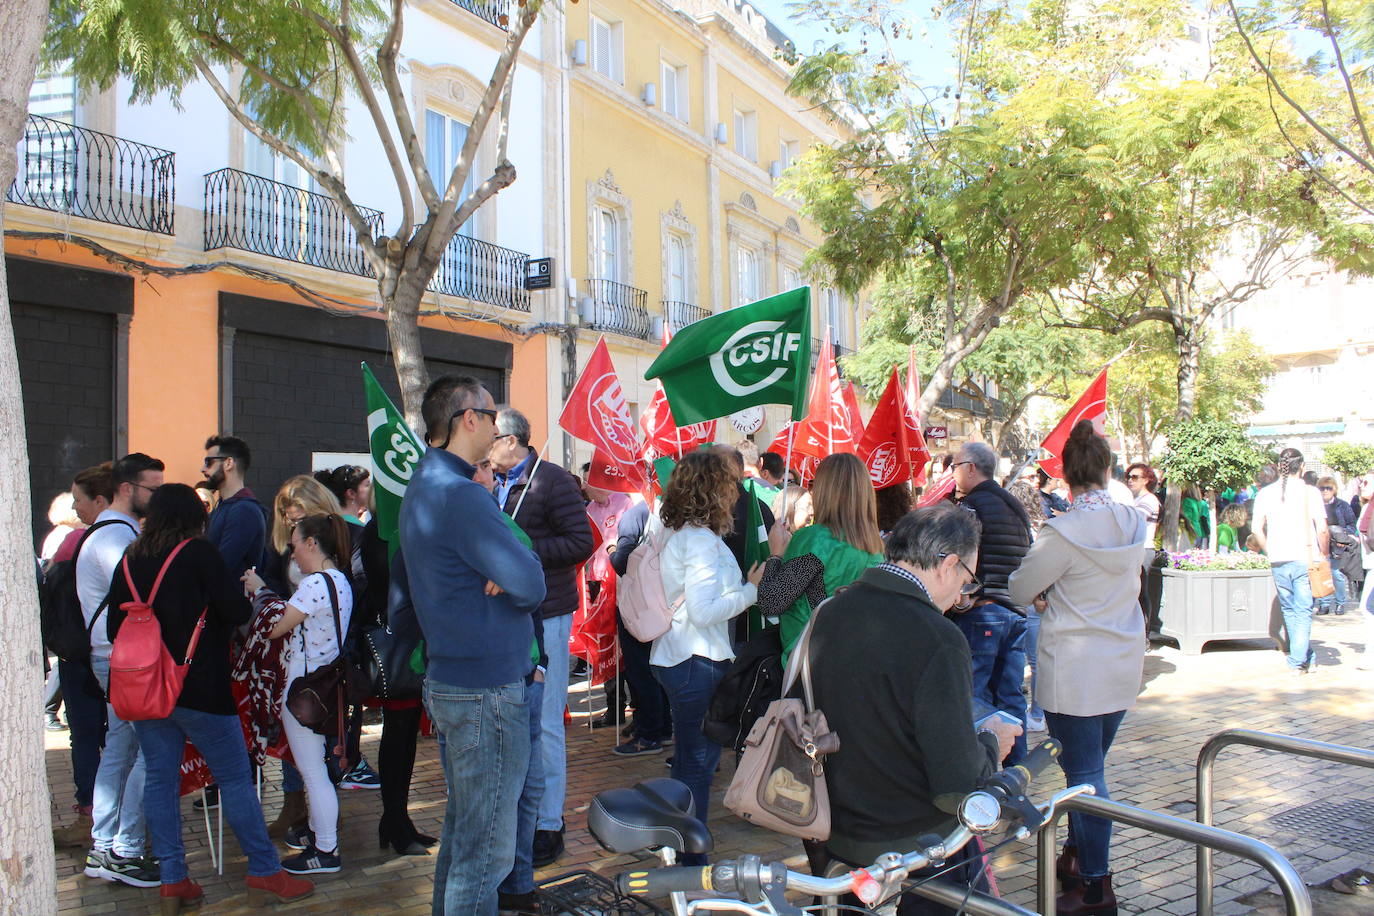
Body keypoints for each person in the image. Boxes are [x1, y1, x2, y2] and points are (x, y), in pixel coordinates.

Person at [106, 484, 313, 912]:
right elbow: (236, 613)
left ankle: (173, 880)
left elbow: (113, 628)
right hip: (199, 687)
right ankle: (264, 871)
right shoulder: (198, 554)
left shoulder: (130, 558)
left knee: (161, 782)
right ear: (194, 517)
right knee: (235, 778)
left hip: (146, 691)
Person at [809, 505, 1022, 913]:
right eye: (967, 580)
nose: (963, 595)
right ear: (949, 564)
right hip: (914, 852)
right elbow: (956, 788)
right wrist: (991, 742)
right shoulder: (937, 638)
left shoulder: (831, 611)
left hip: (837, 835)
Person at [393, 375, 546, 915]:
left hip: (460, 682)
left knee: (465, 841)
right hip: (484, 691)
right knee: (484, 855)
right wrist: (513, 564)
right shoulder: (460, 495)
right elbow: (533, 583)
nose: (501, 423)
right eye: (491, 411)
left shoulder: (429, 483)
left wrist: (507, 565)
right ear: (469, 420)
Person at [1009, 420, 1149, 916]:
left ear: (1065, 475)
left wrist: (1049, 592)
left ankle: (1095, 884)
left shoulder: (1064, 530)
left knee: (1085, 775)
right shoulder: (1134, 521)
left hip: (1074, 666)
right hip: (1122, 659)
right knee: (1090, 769)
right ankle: (1078, 857)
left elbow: (1020, 588)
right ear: (1108, 469)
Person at [490, 407, 595, 868]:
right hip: (507, 616)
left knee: (548, 721)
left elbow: (580, 543)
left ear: (512, 441)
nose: (485, 446)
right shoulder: (489, 483)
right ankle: (522, 815)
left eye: (491, 437)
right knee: (516, 720)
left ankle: (549, 822)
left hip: (549, 614)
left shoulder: (551, 480)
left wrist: (524, 549)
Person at [652, 450, 766, 864]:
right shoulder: (698, 540)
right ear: (711, 489)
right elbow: (704, 612)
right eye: (729, 483)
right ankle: (690, 859)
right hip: (695, 660)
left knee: (690, 764)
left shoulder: (683, 533)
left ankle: (681, 848)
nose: (736, 491)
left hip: (681, 658)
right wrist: (751, 590)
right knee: (696, 767)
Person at [243, 514, 354, 875]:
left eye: (294, 546)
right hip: (326, 688)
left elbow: (274, 628)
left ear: (311, 543)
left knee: (312, 773)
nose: (293, 555)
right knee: (318, 770)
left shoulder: (313, 585)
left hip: (303, 691)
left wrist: (261, 590)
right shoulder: (340, 580)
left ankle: (325, 850)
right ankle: (323, 842)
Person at [83, 453, 164, 888]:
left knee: (120, 750)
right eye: (154, 487)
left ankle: (105, 845)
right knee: (145, 750)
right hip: (124, 658)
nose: (159, 496)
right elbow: (142, 591)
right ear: (129, 488)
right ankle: (125, 848)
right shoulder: (117, 537)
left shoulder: (113, 532)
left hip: (115, 656)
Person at [761, 454, 883, 666]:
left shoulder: (815, 539)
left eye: (813, 484)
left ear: (826, 490)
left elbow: (771, 602)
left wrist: (775, 555)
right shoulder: (877, 548)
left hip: (811, 660)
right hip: (859, 660)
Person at [952, 441, 1031, 764]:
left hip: (983, 612)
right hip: (1014, 611)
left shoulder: (972, 507)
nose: (952, 473)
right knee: (1011, 698)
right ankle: (1017, 774)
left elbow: (960, 557)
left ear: (971, 468)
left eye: (955, 465)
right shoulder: (1013, 504)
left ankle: (980, 775)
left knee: (975, 697)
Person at [51, 463, 116, 848]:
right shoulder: (122, 536)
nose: (75, 509)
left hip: (84, 655)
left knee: (88, 736)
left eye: (79, 500)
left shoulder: (82, 542)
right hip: (100, 653)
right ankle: (104, 814)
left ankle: (90, 814)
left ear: (100, 500)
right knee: (111, 737)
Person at [1251, 448, 1328, 674]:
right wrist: (1324, 553)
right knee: (1303, 610)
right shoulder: (1310, 492)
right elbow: (1322, 529)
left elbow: (1256, 529)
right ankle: (1298, 661)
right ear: (1301, 466)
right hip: (1306, 557)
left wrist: (1269, 550)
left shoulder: (1265, 493)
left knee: (1290, 609)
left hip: (1278, 559)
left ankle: (1305, 657)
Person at [609, 499, 674, 756]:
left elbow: (621, 561)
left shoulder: (637, 513)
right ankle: (664, 729)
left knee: (642, 672)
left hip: (641, 608)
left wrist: (612, 551)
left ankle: (650, 734)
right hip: (666, 606)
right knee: (659, 670)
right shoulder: (679, 512)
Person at [202, 435, 269, 580]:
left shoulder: (244, 510)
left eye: (209, 462)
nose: (203, 469)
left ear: (229, 463)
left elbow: (220, 566)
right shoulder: (223, 507)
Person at [1317, 476, 1358, 615]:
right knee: (1322, 573)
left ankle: (1340, 603)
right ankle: (1324, 604)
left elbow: (1352, 524)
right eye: (1322, 488)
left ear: (1334, 489)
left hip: (1337, 544)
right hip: (1320, 543)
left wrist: (1344, 535)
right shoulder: (1315, 506)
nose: (1325, 491)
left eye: (1328, 488)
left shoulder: (1342, 505)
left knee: (1336, 574)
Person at [1125, 463, 1160, 547]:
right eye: (1128, 477)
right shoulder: (1133, 499)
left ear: (1146, 480)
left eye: (1135, 477)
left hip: (1144, 548)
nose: (1130, 480)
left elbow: (1135, 519)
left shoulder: (1149, 499)